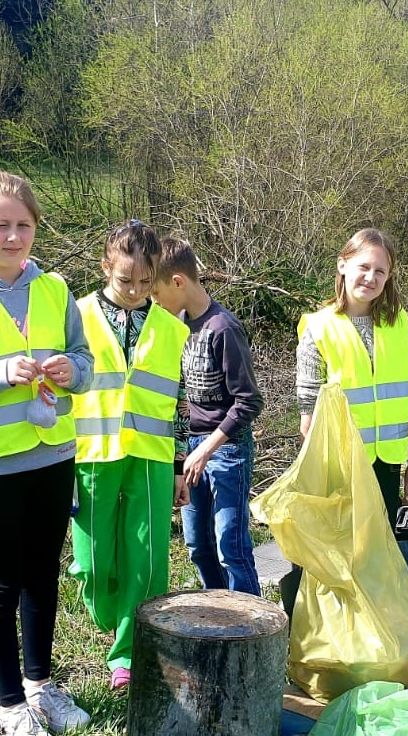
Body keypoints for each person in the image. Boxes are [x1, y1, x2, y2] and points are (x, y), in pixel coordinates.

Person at [69, 221, 189, 690]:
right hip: (92, 453)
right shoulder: (75, 315)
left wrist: (181, 465)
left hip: (151, 456)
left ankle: (126, 651)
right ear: (105, 267)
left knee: (147, 557)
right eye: (125, 280)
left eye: (145, 281)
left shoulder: (170, 326)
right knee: (95, 560)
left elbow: (180, 402)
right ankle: (109, 611)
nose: (137, 290)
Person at [0, 171, 93, 736]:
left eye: (23, 226)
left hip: (53, 455)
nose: (12, 237)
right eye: (1, 226)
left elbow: (87, 364)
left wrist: (69, 371)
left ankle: (40, 687)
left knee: (41, 574)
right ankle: (7, 704)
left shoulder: (56, 289)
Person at [152, 237, 264, 596]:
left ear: (178, 282)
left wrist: (208, 449)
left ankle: (250, 626)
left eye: (156, 293)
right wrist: (183, 455)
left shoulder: (223, 328)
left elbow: (248, 402)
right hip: (190, 449)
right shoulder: (176, 327)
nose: (154, 302)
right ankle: (221, 615)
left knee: (230, 546)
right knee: (198, 546)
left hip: (226, 450)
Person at [296, 228, 408, 528]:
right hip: (340, 470)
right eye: (364, 267)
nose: (371, 277)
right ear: (343, 265)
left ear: (389, 276)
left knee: (379, 557)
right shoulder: (319, 328)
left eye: (380, 271)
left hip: (387, 466)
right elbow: (308, 417)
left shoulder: (399, 324)